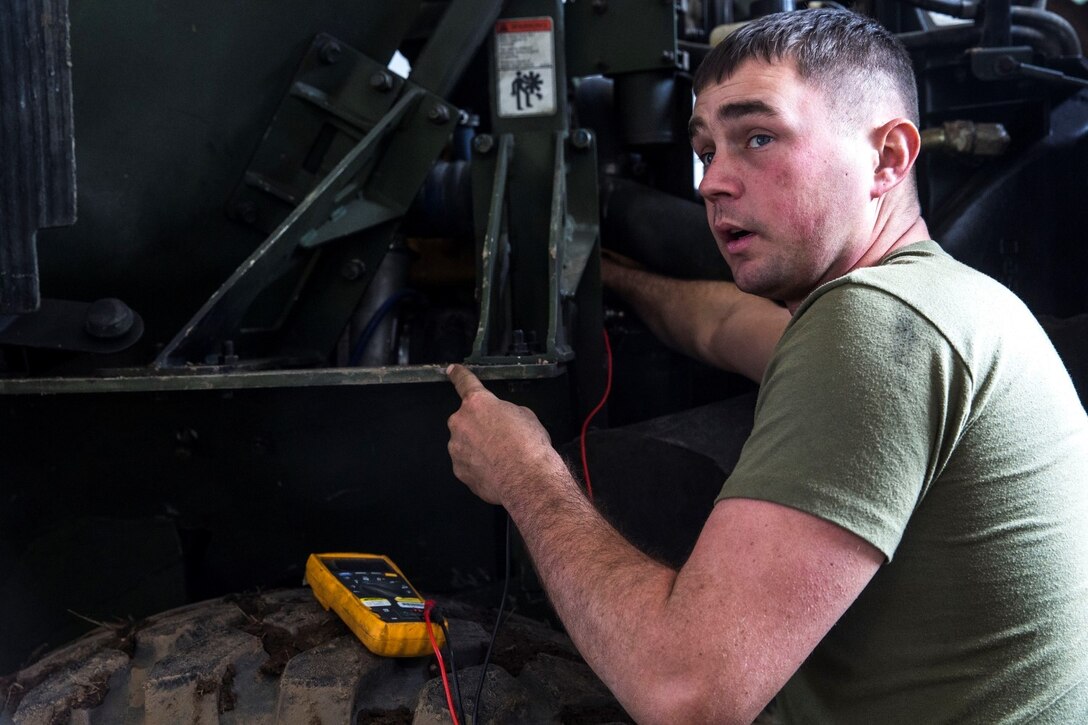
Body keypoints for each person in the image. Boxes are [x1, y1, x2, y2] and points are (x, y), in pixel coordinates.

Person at [446, 8, 1088, 723]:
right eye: (705, 150)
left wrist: (526, 474)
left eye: (758, 137)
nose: (712, 182)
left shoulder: (872, 325)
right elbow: (721, 325)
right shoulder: (948, 300)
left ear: (888, 157)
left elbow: (685, 692)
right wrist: (616, 280)